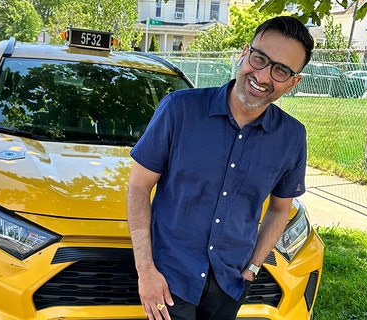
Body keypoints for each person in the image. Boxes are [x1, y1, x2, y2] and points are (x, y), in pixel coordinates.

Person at [126, 16, 314, 320]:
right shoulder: (179, 110)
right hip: (170, 279)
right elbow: (138, 187)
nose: (263, 76)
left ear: (293, 82)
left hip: (231, 284)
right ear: (244, 52)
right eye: (260, 58)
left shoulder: (291, 137)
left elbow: (281, 209)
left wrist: (252, 268)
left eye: (280, 70)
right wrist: (145, 271)